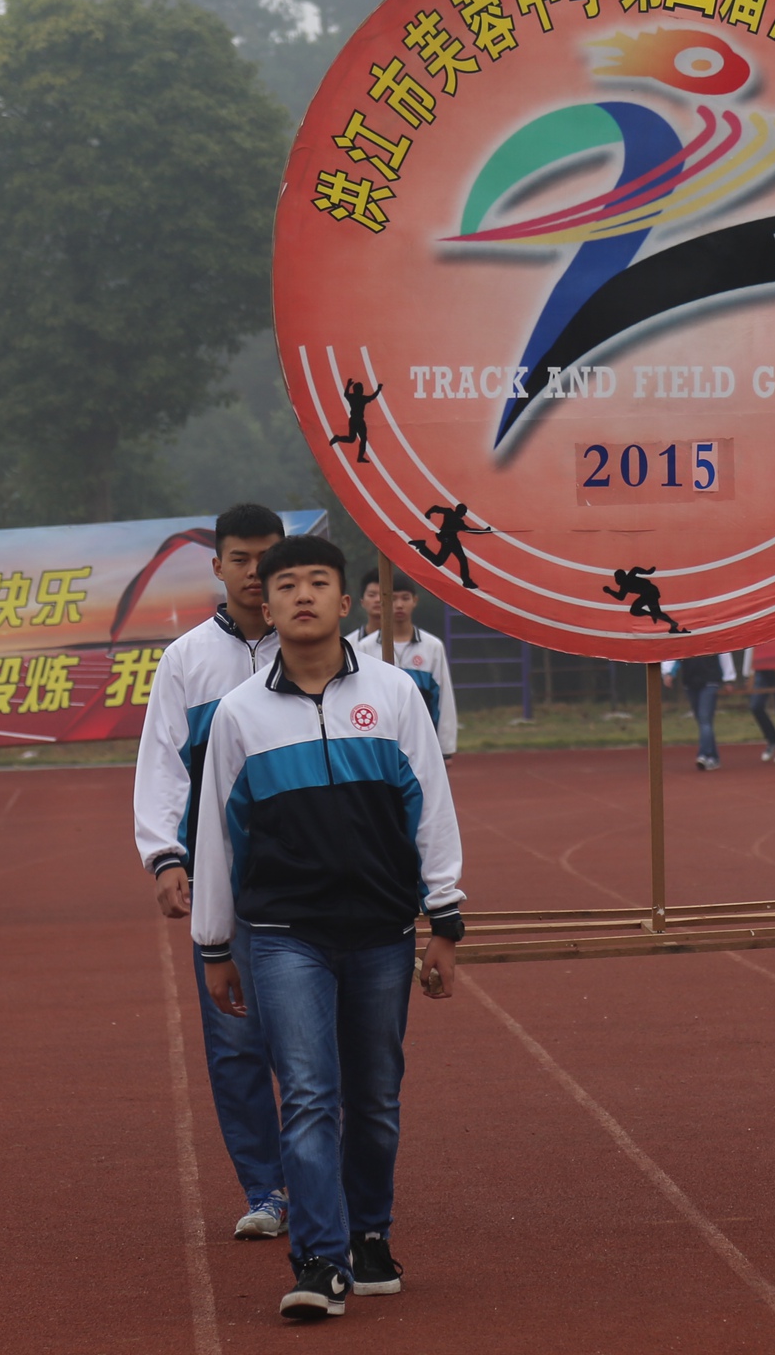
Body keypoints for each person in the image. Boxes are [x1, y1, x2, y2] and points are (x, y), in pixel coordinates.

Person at [193, 533, 464, 1321]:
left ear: (346, 602)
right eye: (287, 585)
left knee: (374, 1096)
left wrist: (445, 917)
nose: (302, 595)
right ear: (266, 602)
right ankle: (319, 1258)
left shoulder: (396, 694)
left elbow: (431, 806)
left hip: (381, 930)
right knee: (309, 1095)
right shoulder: (240, 714)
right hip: (284, 934)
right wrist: (215, 944)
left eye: (318, 582)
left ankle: (369, 1234)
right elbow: (217, 835)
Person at [133, 504, 290, 1243]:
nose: (255, 572)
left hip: (315, 878)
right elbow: (162, 763)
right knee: (236, 1045)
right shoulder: (186, 660)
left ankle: (324, 1180)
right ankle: (267, 1188)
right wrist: (165, 854)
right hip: (224, 884)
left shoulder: (323, 649)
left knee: (315, 1044)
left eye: (268, 556)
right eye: (241, 558)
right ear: (218, 566)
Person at [353, 568, 459, 760]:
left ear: (415, 601)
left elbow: (443, 699)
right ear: (384, 602)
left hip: (423, 742)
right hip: (382, 741)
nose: (400, 605)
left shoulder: (432, 646)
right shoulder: (365, 646)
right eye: (393, 599)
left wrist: (446, 749)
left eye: (405, 598)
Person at [663, 650, 735, 770]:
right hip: (690, 682)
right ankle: (713, 757)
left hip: (710, 681)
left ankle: (704, 755)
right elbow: (675, 651)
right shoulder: (683, 638)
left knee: (704, 718)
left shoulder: (713, 637)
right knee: (703, 721)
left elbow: (724, 653)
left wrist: (729, 679)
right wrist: (668, 673)